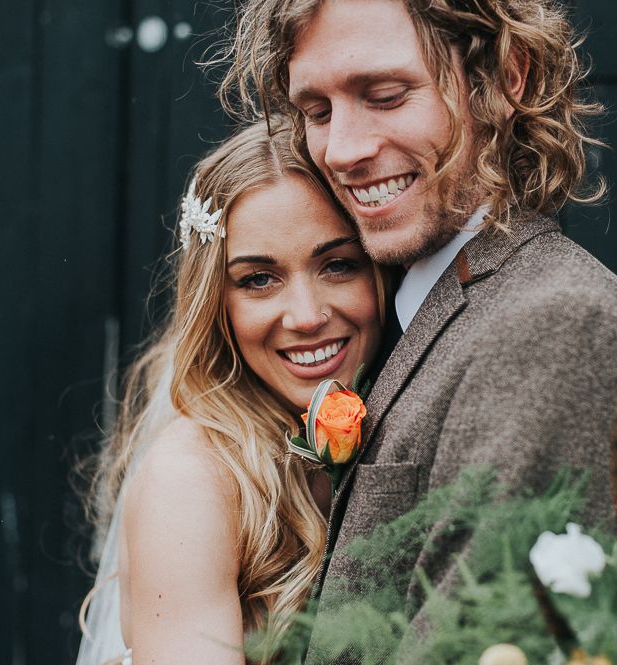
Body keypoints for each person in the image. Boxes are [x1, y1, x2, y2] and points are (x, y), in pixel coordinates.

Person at [221, 0, 617, 661]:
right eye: (315, 111)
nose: (341, 150)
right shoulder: (392, 307)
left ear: (506, 77)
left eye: (384, 94)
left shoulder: (555, 321)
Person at [76, 119, 385, 665]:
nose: (308, 316)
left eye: (337, 265)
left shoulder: (396, 408)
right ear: (218, 303)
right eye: (258, 279)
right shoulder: (192, 479)